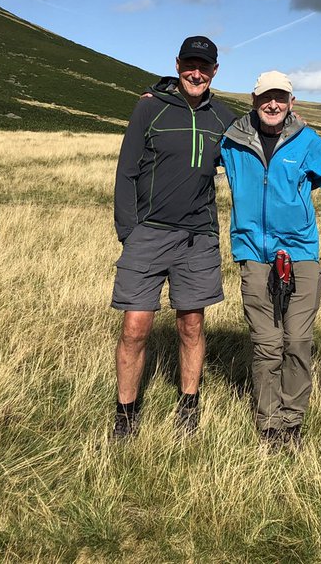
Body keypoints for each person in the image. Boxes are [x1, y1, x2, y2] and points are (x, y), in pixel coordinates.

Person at [221, 71, 321, 450]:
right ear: (254, 101)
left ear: (291, 102)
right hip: (254, 254)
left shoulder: (307, 141)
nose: (273, 104)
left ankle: (292, 422)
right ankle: (269, 424)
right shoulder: (232, 140)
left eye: (280, 98)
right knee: (266, 343)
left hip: (300, 255)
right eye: (266, 97)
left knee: (297, 341)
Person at [110, 35, 235, 440]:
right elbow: (126, 171)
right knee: (135, 326)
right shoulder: (150, 107)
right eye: (189, 65)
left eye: (204, 67)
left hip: (198, 237)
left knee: (192, 325)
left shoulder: (225, 118)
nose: (195, 73)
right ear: (178, 64)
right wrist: (130, 232)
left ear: (215, 71)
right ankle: (125, 414)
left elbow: (258, 147)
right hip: (148, 234)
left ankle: (188, 406)